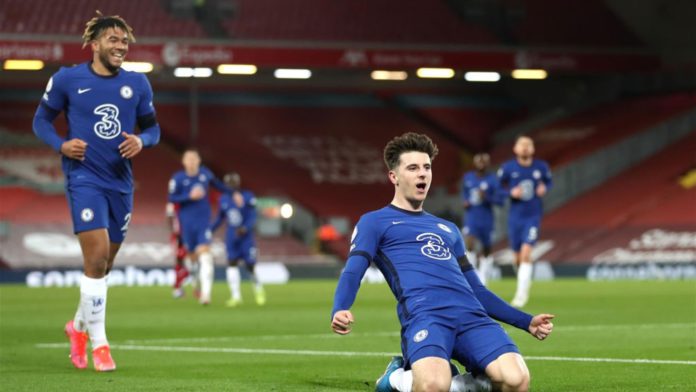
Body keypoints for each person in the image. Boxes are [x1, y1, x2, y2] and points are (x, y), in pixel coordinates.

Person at [330, 133, 554, 392]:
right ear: (394, 177)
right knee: (433, 386)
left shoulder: (448, 229)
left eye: (427, 167)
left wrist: (525, 321)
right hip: (426, 316)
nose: (422, 174)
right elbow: (353, 269)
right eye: (412, 168)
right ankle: (394, 379)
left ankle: (457, 384)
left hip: (472, 316)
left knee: (517, 381)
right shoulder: (374, 222)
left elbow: (477, 291)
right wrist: (340, 307)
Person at [32, 11, 160, 372]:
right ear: (94, 43)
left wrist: (141, 140)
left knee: (104, 265)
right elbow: (40, 120)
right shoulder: (67, 79)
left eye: (124, 41)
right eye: (113, 40)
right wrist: (61, 145)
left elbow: (154, 129)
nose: (121, 46)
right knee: (97, 257)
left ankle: (77, 327)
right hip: (84, 178)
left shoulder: (138, 84)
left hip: (121, 183)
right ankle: (101, 346)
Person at [498, 135, 552, 308]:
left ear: (533, 149)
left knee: (526, 253)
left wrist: (545, 187)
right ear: (515, 149)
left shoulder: (541, 167)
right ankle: (525, 280)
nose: (525, 148)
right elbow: (498, 187)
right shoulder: (508, 168)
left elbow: (548, 181)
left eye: (528, 145)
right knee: (517, 258)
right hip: (515, 218)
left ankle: (521, 294)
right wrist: (510, 193)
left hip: (532, 216)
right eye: (522, 145)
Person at [168, 148, 228, 305]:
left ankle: (206, 295)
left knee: (206, 256)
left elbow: (219, 186)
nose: (192, 161)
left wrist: (233, 193)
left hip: (203, 223)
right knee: (192, 259)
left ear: (199, 160)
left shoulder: (205, 174)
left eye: (194, 158)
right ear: (184, 161)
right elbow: (172, 198)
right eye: (189, 159)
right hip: (186, 224)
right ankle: (195, 279)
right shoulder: (178, 179)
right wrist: (189, 196)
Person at [211, 172, 265, 306]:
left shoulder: (247, 196)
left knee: (250, 265)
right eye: (228, 183)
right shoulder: (223, 199)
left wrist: (245, 228)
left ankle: (258, 289)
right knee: (231, 263)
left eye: (233, 183)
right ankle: (235, 296)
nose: (231, 186)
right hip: (231, 235)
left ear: (238, 183)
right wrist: (210, 229)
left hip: (246, 236)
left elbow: (253, 216)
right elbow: (220, 218)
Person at [461, 153, 500, 285]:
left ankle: (483, 279)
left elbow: (499, 200)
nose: (481, 164)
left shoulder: (492, 180)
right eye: (479, 162)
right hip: (472, 217)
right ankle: (473, 276)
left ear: (488, 164)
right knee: (469, 243)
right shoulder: (468, 178)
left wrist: (486, 197)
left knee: (487, 249)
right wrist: (465, 202)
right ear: (475, 163)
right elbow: (464, 195)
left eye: (484, 162)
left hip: (486, 218)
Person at [166, 201, 190, 298]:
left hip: (185, 236)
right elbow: (169, 219)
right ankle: (177, 288)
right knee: (179, 261)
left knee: (184, 264)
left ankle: (178, 287)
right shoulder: (173, 204)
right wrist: (175, 233)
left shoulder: (185, 203)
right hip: (178, 237)